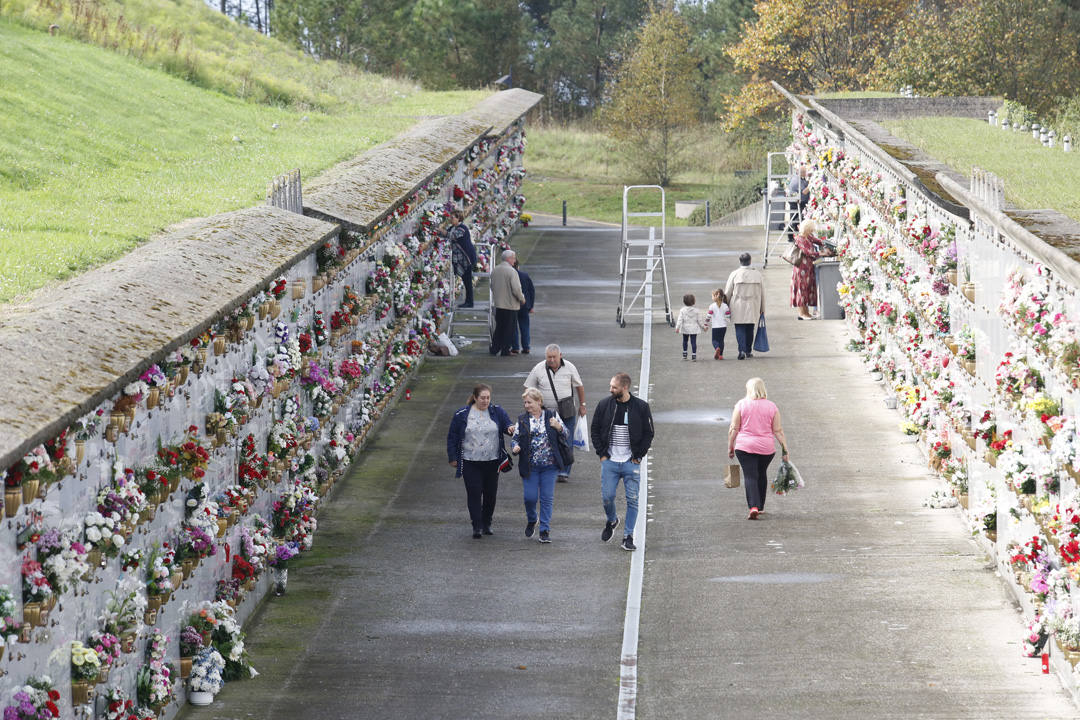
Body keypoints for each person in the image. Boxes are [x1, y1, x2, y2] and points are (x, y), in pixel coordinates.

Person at [591, 372, 654, 551]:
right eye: (611, 386)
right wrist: (602, 454)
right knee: (607, 497)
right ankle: (612, 520)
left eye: (614, 387)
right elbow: (594, 429)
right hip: (610, 461)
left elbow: (649, 433)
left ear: (625, 388)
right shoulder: (604, 405)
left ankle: (628, 536)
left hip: (630, 462)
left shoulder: (641, 407)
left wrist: (639, 456)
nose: (611, 389)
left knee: (633, 500)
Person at [446, 384, 515, 538]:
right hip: (470, 461)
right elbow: (452, 437)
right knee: (474, 492)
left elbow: (506, 425)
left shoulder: (497, 411)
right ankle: (476, 525)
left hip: (492, 461)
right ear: (475, 398)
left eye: (488, 398)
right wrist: (452, 457)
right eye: (482, 398)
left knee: (490, 494)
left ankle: (487, 523)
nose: (485, 401)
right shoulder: (462, 414)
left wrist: (510, 428)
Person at [510, 388, 570, 543]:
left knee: (546, 498)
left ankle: (544, 530)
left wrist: (559, 427)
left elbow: (566, 434)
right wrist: (515, 447)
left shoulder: (552, 416)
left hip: (550, 466)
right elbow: (515, 438)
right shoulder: (522, 420)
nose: (527, 405)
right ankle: (532, 519)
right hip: (530, 466)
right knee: (529, 498)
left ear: (539, 402)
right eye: (525, 403)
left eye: (529, 402)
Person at [727, 377, 789, 520]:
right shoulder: (772, 406)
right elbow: (778, 430)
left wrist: (730, 446)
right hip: (766, 448)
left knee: (750, 475)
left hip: (744, 447)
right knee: (761, 473)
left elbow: (733, 428)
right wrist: (785, 450)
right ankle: (760, 506)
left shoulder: (741, 405)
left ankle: (753, 506)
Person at [523, 344, 585, 483]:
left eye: (554, 357)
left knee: (566, 441)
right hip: (546, 413)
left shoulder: (569, 367)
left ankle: (564, 472)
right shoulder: (538, 368)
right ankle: (549, 468)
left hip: (566, 411)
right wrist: (530, 406)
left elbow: (579, 386)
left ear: (560, 355)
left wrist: (582, 405)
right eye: (548, 357)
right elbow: (528, 388)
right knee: (548, 441)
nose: (551, 360)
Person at [790, 219, 835, 320]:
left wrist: (828, 245)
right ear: (807, 229)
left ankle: (807, 313)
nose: (812, 232)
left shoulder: (808, 237)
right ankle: (801, 314)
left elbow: (819, 242)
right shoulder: (799, 239)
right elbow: (808, 252)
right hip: (801, 268)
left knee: (807, 289)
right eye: (811, 230)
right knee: (801, 290)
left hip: (808, 267)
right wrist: (822, 253)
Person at [724, 253, 766, 360]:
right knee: (750, 328)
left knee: (740, 328)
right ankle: (748, 350)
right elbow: (763, 293)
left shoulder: (734, 274)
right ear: (750, 261)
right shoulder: (757, 274)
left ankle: (741, 350)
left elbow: (728, 291)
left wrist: (725, 306)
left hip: (738, 305)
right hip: (753, 305)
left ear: (740, 261)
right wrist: (762, 309)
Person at [490, 249, 527, 356]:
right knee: (509, 329)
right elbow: (516, 289)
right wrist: (522, 299)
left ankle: (495, 348)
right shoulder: (512, 271)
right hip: (510, 305)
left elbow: (492, 286)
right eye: (514, 258)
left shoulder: (495, 270)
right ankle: (505, 350)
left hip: (499, 304)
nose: (515, 261)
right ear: (509, 259)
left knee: (499, 328)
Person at [446, 210, 477, 308]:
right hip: (460, 258)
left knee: (467, 280)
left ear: (458, 218)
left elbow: (453, 236)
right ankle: (468, 301)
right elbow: (446, 234)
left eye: (452, 217)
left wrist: (442, 231)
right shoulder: (453, 228)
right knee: (465, 279)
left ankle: (469, 302)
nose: (451, 219)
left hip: (466, 258)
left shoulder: (462, 228)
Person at [510, 256, 535, 355]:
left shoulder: (509, 276)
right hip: (524, 305)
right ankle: (526, 347)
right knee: (525, 326)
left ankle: (515, 347)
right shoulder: (525, 275)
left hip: (512, 304)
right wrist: (531, 305)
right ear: (518, 266)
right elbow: (531, 291)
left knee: (513, 327)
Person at [674, 293, 705, 361]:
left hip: (685, 328)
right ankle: (694, 355)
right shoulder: (697, 311)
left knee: (685, 341)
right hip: (694, 328)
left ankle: (685, 355)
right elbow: (699, 321)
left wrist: (677, 327)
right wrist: (703, 327)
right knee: (693, 342)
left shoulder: (682, 310)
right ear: (694, 301)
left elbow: (680, 319)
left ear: (684, 301)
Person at [705, 287, 731, 360]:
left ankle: (717, 348)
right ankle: (721, 355)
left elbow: (708, 316)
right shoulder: (725, 306)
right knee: (721, 340)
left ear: (716, 296)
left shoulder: (712, 306)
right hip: (723, 327)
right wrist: (727, 320)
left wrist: (705, 324)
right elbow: (728, 316)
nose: (712, 297)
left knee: (714, 340)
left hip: (715, 327)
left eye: (712, 296)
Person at [786, 166, 809, 242]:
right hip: (797, 202)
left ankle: (791, 235)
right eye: (804, 172)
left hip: (797, 201)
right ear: (801, 172)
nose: (806, 174)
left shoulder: (799, 178)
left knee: (795, 218)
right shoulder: (797, 180)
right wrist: (813, 185)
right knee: (797, 218)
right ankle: (791, 235)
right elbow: (804, 191)